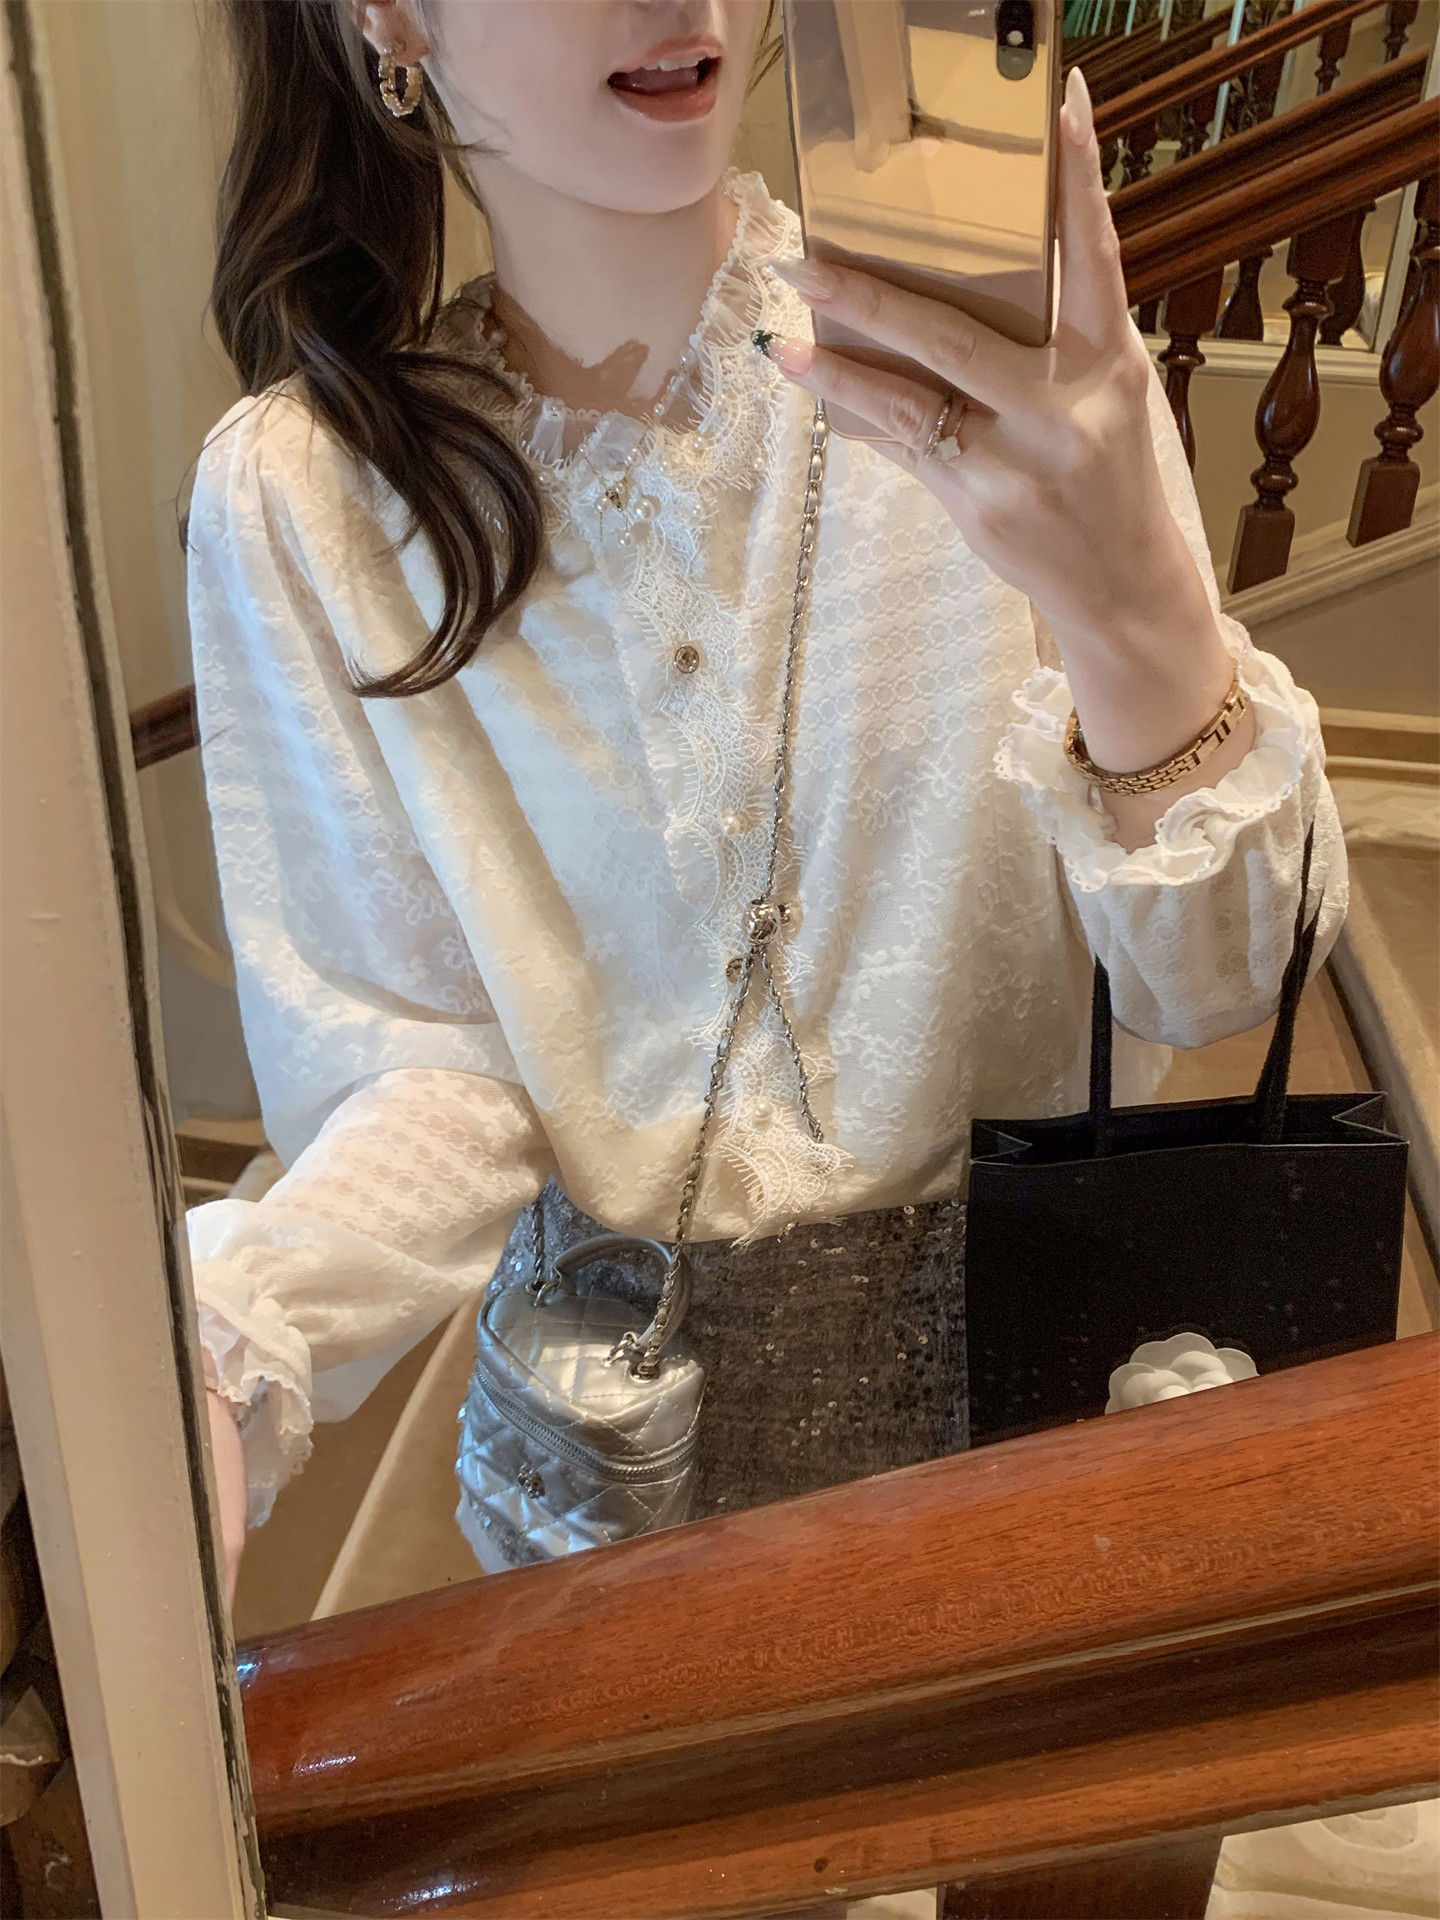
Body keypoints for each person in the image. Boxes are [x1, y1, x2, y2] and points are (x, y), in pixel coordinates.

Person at [187, 0, 1344, 1602]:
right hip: (611, 1470)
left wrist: (1136, 607)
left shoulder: (992, 364)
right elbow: (420, 1062)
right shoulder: (305, 496)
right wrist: (231, 1347)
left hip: (1037, 1408)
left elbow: (1222, 981)